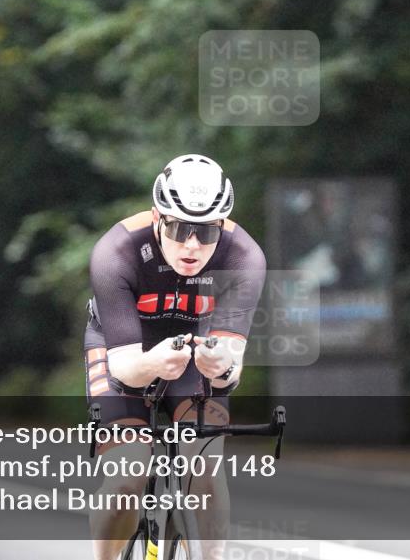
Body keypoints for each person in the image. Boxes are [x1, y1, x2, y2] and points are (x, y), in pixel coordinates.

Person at [83, 154, 267, 560]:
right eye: (180, 228)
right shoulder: (116, 251)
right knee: (127, 477)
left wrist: (221, 367)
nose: (192, 245)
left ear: (222, 225)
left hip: (194, 353)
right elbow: (124, 369)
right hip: (124, 349)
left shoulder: (243, 256)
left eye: (206, 231)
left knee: (205, 471)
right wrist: (153, 364)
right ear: (157, 217)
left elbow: (230, 368)